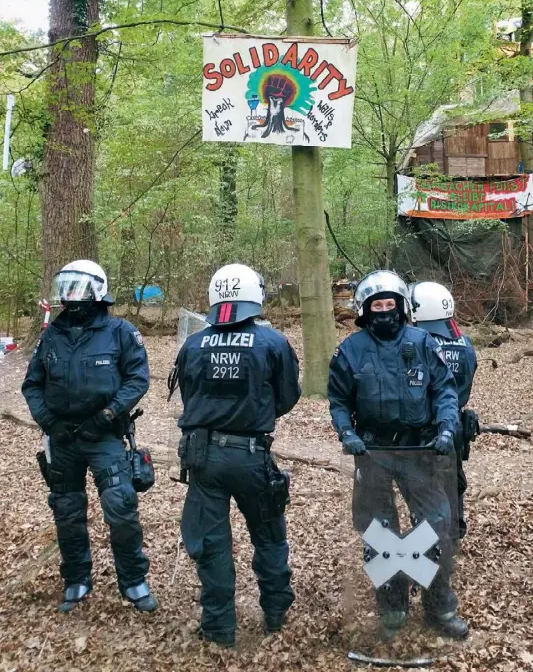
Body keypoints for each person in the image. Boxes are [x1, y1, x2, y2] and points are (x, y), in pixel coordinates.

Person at [328, 270, 468, 640]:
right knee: (381, 533)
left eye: (391, 304)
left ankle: (439, 606)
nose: (385, 311)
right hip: (372, 451)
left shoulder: (424, 342)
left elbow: (446, 392)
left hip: (420, 450)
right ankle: (392, 606)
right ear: (365, 309)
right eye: (378, 305)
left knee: (436, 527)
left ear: (402, 306)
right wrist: (346, 433)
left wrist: (446, 428)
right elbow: (339, 401)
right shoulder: (350, 351)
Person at [168, 263, 300, 647]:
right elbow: (287, 397)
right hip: (250, 455)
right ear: (254, 296)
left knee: (212, 544)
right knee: (269, 536)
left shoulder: (192, 344)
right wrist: (255, 413)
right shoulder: (273, 343)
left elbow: (190, 396)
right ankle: (275, 611)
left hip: (204, 458)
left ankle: (219, 628)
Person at [22, 260, 156, 613]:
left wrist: (109, 414)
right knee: (67, 512)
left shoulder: (120, 332)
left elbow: (137, 379)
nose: (70, 297)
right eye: (66, 289)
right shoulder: (51, 335)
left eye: (78, 289)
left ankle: (133, 580)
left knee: (121, 507)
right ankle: (77, 580)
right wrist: (50, 422)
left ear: (97, 292)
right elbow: (32, 384)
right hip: (63, 439)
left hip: (105, 436)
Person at [410, 281, 478, 539]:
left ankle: (429, 535)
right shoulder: (466, 343)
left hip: (425, 427)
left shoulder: (418, 344)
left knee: (423, 484)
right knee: (453, 479)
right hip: (456, 425)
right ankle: (454, 529)